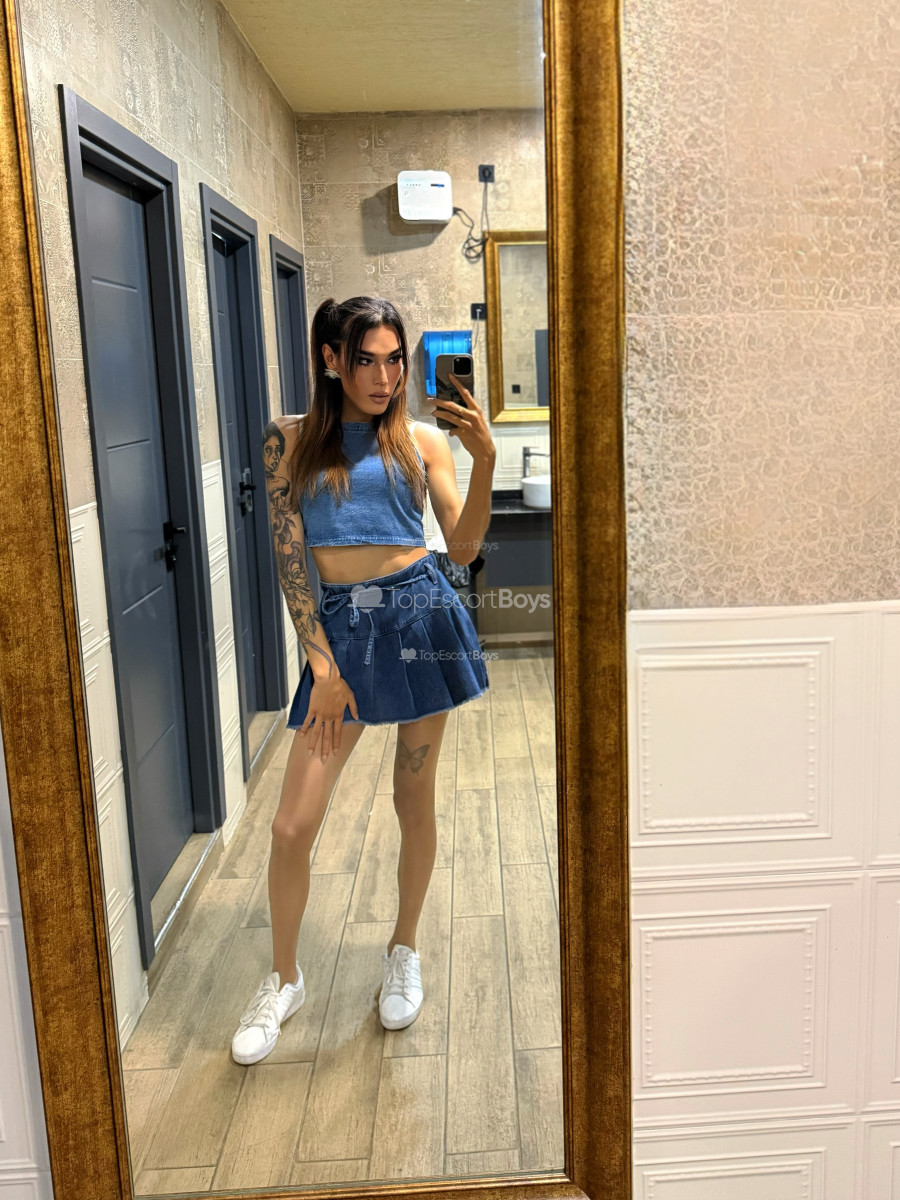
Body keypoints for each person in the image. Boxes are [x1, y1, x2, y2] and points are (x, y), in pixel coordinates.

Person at [231, 295, 496, 1065]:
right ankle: (285, 979)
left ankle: (403, 949)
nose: (384, 378)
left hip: (420, 619)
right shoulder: (288, 441)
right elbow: (292, 563)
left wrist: (482, 459)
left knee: (413, 799)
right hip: (341, 633)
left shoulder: (421, 441)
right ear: (330, 360)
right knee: (291, 825)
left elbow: (463, 550)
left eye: (394, 360)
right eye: (366, 361)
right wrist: (321, 664)